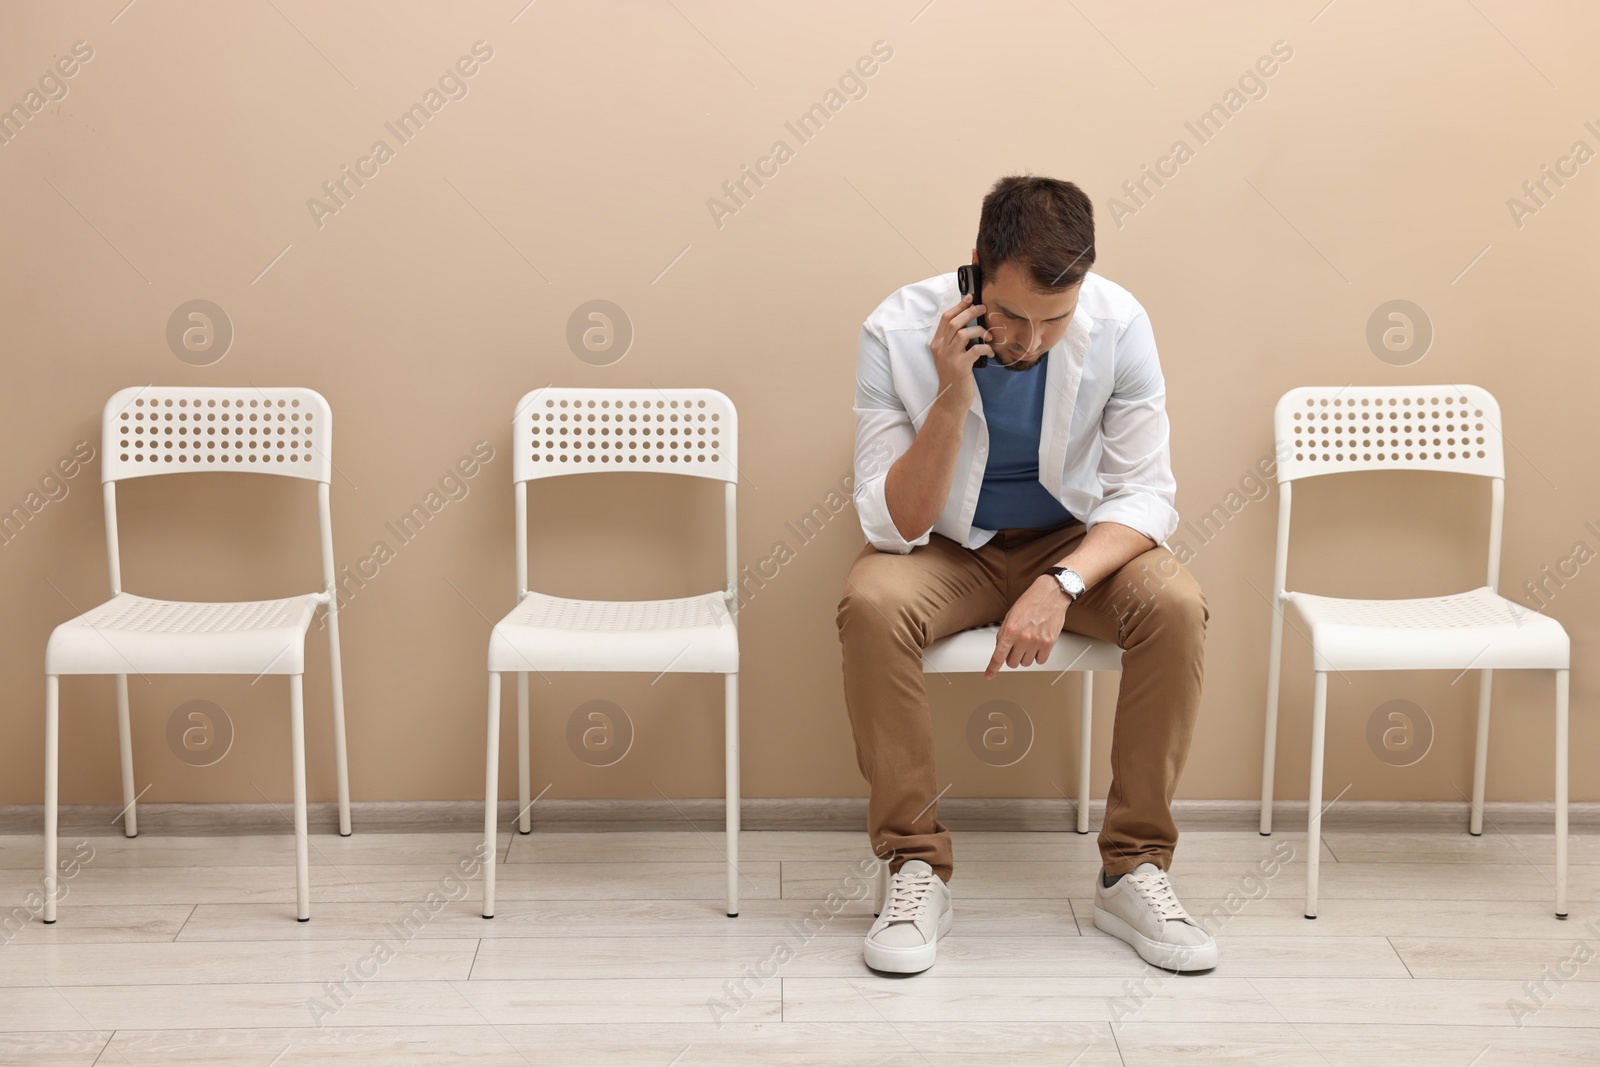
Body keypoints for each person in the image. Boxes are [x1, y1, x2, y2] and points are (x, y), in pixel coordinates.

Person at [837, 175, 1213, 974]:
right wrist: (949, 393)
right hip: (947, 549)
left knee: (1176, 603)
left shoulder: (1120, 322)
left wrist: (1063, 582)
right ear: (976, 270)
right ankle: (913, 865)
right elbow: (891, 521)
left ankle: (1132, 867)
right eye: (1012, 316)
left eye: (1055, 320)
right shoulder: (894, 329)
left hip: (1074, 545)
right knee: (870, 603)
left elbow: (1147, 493)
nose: (1031, 342)